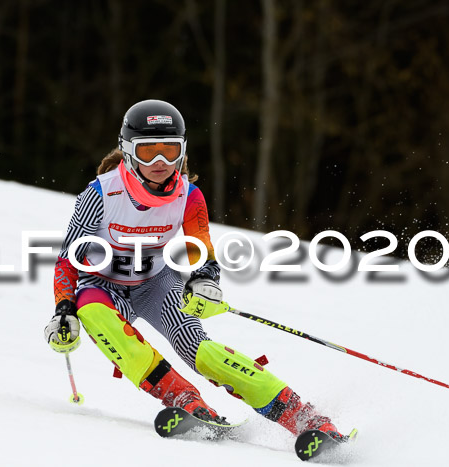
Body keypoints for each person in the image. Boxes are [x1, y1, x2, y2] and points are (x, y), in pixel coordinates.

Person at [44, 99, 345, 439]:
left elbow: (200, 249)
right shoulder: (100, 194)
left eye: (170, 151)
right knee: (92, 311)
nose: (160, 162)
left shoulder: (189, 196)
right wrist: (64, 309)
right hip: (104, 286)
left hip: (156, 284)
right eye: (147, 152)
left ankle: (303, 417)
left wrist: (205, 279)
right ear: (127, 151)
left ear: (182, 150)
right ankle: (183, 398)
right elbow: (69, 259)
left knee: (200, 351)